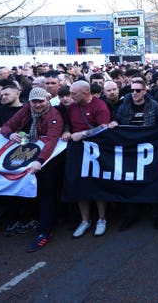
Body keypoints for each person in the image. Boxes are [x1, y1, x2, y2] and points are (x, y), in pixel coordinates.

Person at [0, 87, 64, 252]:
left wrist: (40, 160)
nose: (37, 105)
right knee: (28, 191)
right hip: (28, 158)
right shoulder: (26, 109)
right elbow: (7, 126)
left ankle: (45, 231)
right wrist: (9, 135)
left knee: (46, 194)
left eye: (41, 101)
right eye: (34, 101)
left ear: (47, 100)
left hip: (49, 160)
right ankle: (34, 219)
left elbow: (52, 140)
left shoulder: (54, 115)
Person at [111, 79, 158, 231]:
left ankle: (157, 215)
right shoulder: (124, 106)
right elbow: (117, 120)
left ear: (144, 91)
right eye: (132, 90)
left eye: (138, 90)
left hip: (150, 149)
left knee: (154, 180)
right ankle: (131, 215)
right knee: (130, 181)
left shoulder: (153, 105)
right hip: (130, 149)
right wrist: (114, 123)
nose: (134, 93)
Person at [62, 80, 112, 238]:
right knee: (79, 184)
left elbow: (104, 127)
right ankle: (85, 221)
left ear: (85, 93)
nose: (70, 96)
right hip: (77, 150)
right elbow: (67, 123)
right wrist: (67, 131)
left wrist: (84, 134)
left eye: (74, 94)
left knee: (97, 184)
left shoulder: (100, 106)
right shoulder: (72, 107)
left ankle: (102, 219)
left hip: (96, 150)